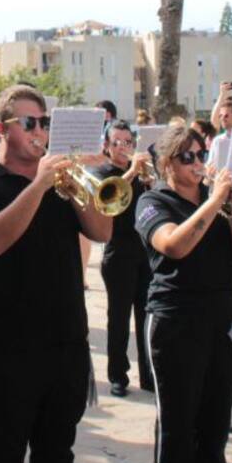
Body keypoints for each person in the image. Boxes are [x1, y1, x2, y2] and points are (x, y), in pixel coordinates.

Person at [0, 85, 112, 463]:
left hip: (66, 340)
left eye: (44, 123)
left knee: (57, 455)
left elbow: (102, 231)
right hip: (7, 344)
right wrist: (39, 185)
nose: (39, 131)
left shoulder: (64, 181)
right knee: (2, 457)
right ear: (1, 128)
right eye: (29, 123)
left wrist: (84, 181)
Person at [135, 124, 232, 463]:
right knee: (177, 428)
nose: (197, 164)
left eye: (201, 155)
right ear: (166, 164)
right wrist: (215, 201)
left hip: (222, 322)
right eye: (187, 157)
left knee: (215, 427)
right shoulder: (153, 201)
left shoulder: (215, 201)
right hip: (176, 321)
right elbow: (173, 245)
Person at [94, 120, 154, 397]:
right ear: (106, 146)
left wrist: (151, 184)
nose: (122, 147)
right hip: (117, 253)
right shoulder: (102, 173)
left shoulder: (142, 173)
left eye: (128, 142)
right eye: (116, 142)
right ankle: (118, 375)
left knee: (146, 317)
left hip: (144, 253)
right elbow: (106, 204)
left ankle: (149, 374)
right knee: (118, 318)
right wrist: (131, 173)